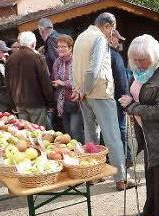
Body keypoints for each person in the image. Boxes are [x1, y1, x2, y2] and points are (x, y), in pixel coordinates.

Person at [119, 34, 159, 216]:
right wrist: (130, 100)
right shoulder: (141, 73)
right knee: (151, 177)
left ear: (153, 56)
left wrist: (132, 107)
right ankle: (151, 213)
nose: (138, 64)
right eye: (135, 60)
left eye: (142, 60)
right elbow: (139, 95)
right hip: (147, 134)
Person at [72, 12, 131, 190]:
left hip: (84, 95)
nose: (111, 34)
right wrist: (84, 89)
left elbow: (74, 67)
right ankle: (121, 179)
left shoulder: (80, 37)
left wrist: (79, 89)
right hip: (99, 92)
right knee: (112, 136)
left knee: (91, 136)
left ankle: (93, 175)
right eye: (111, 30)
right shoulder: (99, 38)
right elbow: (93, 70)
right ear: (107, 26)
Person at [6, 31, 55, 127]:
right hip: (36, 103)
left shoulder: (10, 59)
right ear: (33, 44)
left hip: (19, 103)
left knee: (26, 133)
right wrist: (51, 102)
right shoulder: (36, 57)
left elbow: (8, 84)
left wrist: (11, 103)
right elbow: (45, 82)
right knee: (38, 132)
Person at [51, 34, 84, 142]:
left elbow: (79, 81)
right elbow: (55, 78)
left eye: (63, 46)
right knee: (68, 132)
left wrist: (63, 83)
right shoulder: (57, 62)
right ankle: (72, 154)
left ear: (70, 48)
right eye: (58, 46)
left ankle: (83, 154)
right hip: (62, 103)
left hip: (76, 101)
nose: (60, 49)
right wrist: (56, 83)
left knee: (76, 130)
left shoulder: (76, 61)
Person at [110, 29, 132, 166]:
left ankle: (126, 157)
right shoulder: (115, 55)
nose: (120, 42)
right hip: (117, 97)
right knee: (120, 128)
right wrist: (125, 97)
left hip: (114, 98)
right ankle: (126, 157)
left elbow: (122, 78)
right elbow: (122, 79)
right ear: (112, 39)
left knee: (119, 128)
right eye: (118, 39)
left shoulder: (114, 55)